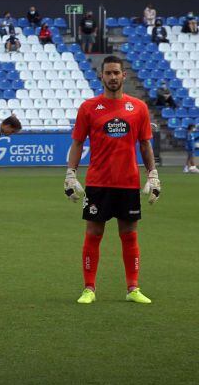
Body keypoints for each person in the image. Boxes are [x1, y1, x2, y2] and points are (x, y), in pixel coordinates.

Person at [65, 55, 159, 306]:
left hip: (128, 182)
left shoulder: (138, 107)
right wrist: (70, 174)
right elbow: (77, 143)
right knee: (94, 233)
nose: (113, 77)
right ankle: (88, 288)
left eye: (117, 73)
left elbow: (145, 143)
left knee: (129, 234)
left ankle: (133, 288)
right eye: (108, 73)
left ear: (124, 75)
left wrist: (153, 174)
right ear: (102, 76)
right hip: (98, 183)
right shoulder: (88, 108)